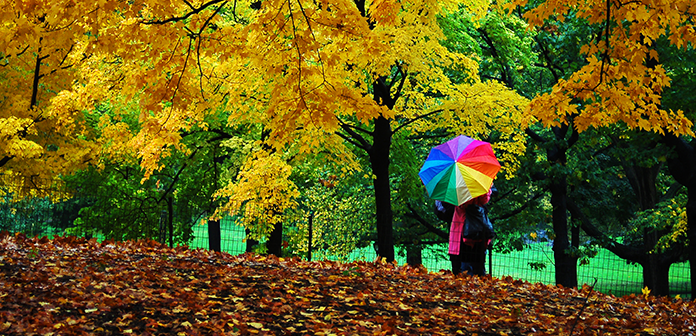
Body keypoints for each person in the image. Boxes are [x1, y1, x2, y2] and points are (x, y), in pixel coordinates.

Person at [435, 187, 494, 276]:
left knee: (464, 267)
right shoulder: (479, 185)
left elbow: (447, 204)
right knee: (476, 266)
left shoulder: (456, 186)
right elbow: (485, 199)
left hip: (462, 229)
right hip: (476, 228)